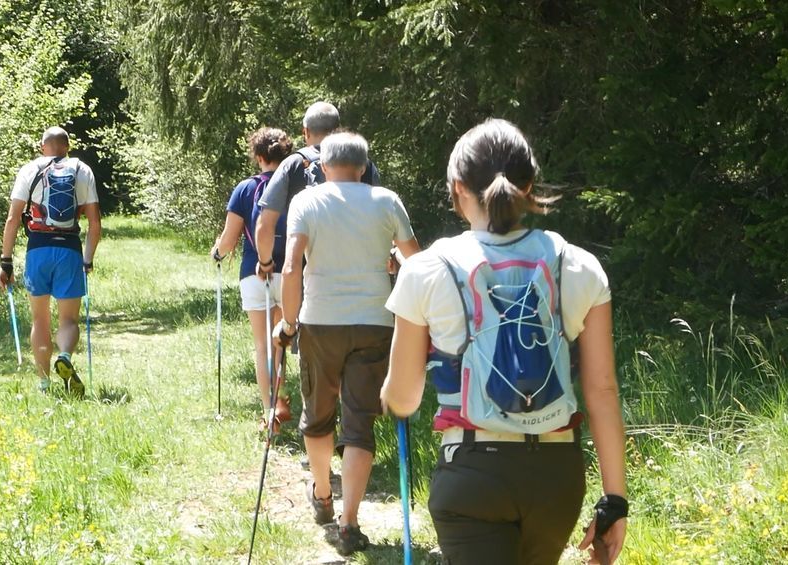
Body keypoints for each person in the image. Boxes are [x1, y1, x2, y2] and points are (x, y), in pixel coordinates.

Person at [380, 119, 627, 564]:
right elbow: (602, 391)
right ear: (530, 184)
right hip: (557, 479)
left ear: (457, 188)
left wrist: (388, 400)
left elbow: (404, 397)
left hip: (472, 472)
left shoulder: (427, 270)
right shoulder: (580, 265)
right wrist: (615, 502)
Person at [273, 131, 420, 555]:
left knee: (318, 414)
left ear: (321, 166)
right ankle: (350, 520)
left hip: (321, 322)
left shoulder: (306, 201)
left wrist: (288, 322)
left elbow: (290, 267)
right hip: (375, 322)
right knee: (360, 422)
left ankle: (321, 493)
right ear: (363, 166)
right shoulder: (386, 200)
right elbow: (417, 261)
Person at [0, 126, 101, 396]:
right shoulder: (82, 171)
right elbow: (94, 222)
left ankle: (44, 383)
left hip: (38, 251)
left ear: (43, 147)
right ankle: (64, 356)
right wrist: (87, 260)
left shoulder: (29, 170)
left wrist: (5, 261)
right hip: (69, 250)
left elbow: (12, 219)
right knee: (68, 320)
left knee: (39, 320)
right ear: (67, 147)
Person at [210, 127, 294, 430]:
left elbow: (229, 240)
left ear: (258, 157)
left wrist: (217, 253)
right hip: (289, 272)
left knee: (262, 345)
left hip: (253, 273)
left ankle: (269, 408)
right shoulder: (296, 186)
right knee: (281, 343)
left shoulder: (245, 189)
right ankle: (280, 397)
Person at [254, 102, 379, 279]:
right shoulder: (363, 164)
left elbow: (265, 224)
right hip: (359, 272)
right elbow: (380, 216)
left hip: (309, 277)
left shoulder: (292, 164)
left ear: (305, 131)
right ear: (338, 130)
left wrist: (265, 263)